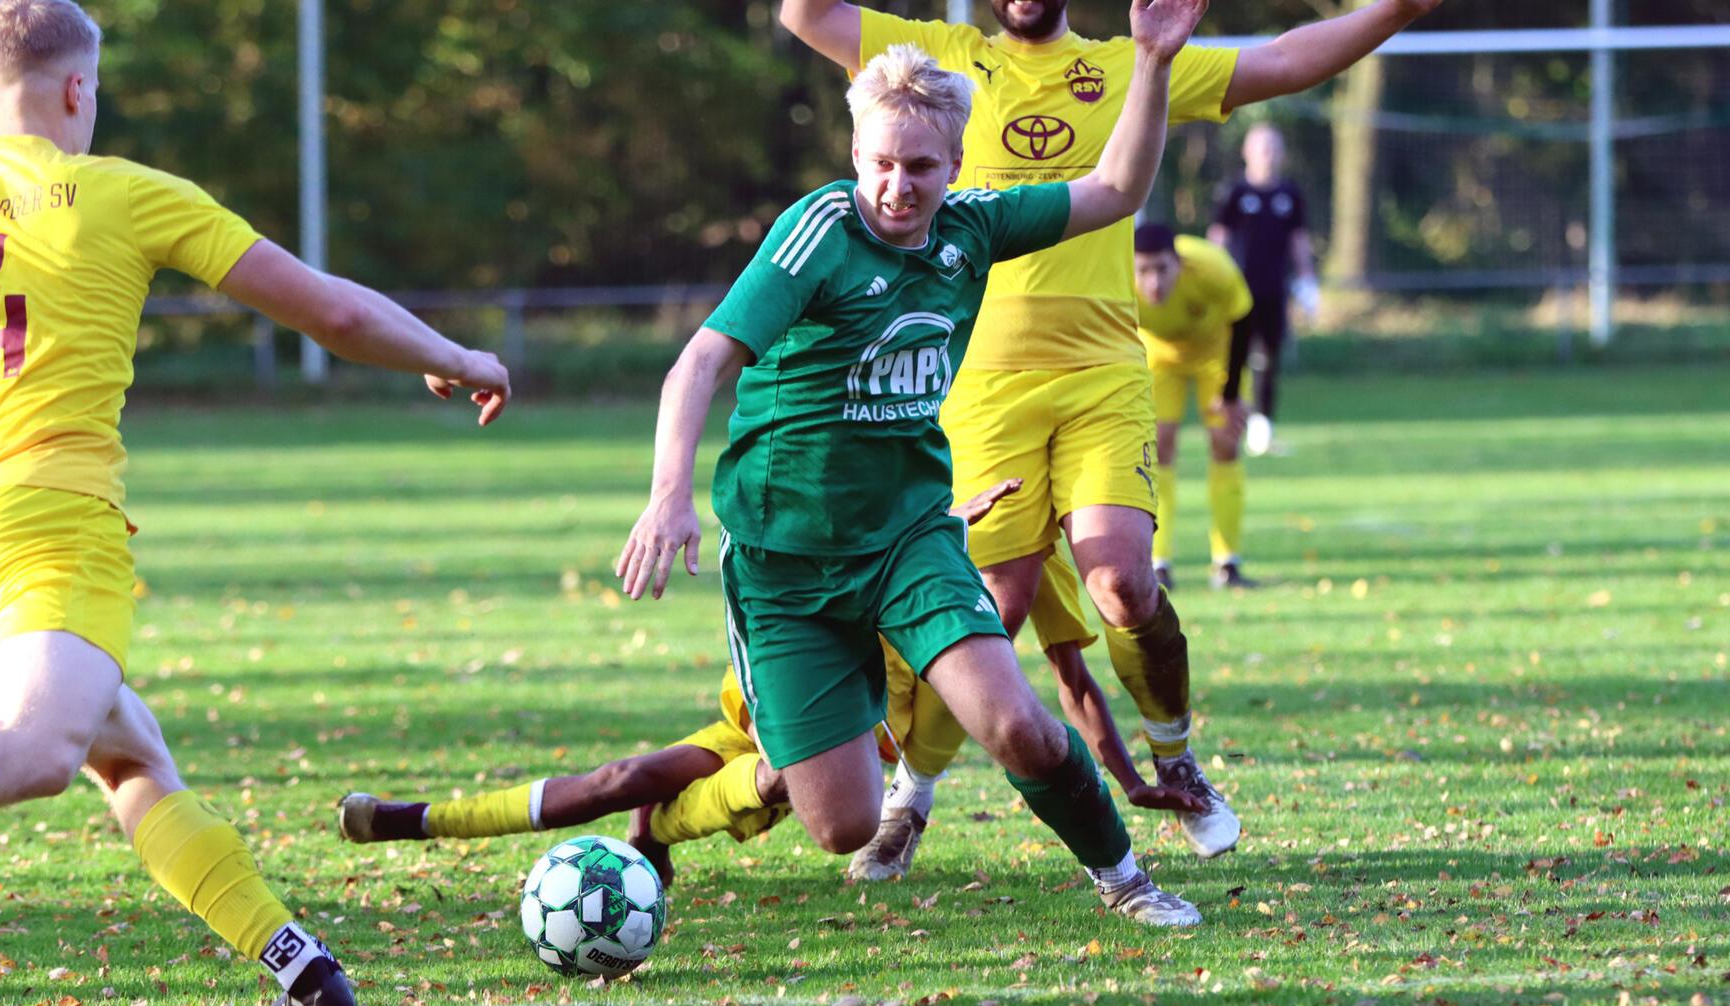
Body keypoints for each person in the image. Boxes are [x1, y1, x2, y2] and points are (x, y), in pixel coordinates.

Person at [0, 0, 510, 1006]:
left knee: (131, 758)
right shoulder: (126, 195)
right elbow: (337, 312)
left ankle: (301, 967)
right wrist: (458, 356)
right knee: (40, 750)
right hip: (54, 536)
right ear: (80, 88)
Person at [778, 0, 1443, 871]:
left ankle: (1177, 753)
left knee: (1124, 584)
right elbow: (805, 14)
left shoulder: (1134, 60)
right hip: (981, 384)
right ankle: (914, 794)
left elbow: (1283, 61)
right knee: (986, 608)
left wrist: (1396, 10)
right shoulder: (939, 59)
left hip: (1102, 375)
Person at [616, 0, 1209, 926]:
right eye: (881, 163)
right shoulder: (816, 235)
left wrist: (1156, 63)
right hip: (787, 564)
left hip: (907, 540)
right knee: (842, 824)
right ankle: (662, 818)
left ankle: (1124, 877)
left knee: (1014, 722)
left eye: (921, 166)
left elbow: (1115, 191)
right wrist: (667, 499)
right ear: (856, 157)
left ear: (956, 166)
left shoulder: (972, 230)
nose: (898, 186)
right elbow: (701, 362)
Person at [339, 488, 1202, 926]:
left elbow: (1068, 685)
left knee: (724, 787)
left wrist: (1129, 779)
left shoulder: (1030, 563)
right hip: (758, 713)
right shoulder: (909, 519)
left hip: (820, 760)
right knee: (624, 778)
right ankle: (411, 820)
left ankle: (653, 835)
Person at [1132, 223, 1255, 590]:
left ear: (1179, 263)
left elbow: (1245, 319)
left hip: (1215, 355)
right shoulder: (1115, 277)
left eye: (1162, 269)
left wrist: (1231, 395)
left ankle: (1227, 562)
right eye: (1144, 271)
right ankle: (1158, 562)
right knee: (1158, 447)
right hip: (1160, 359)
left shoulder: (1211, 267)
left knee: (1225, 442)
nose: (1154, 282)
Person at [1209, 123, 1316, 457]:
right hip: (1238, 293)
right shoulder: (1234, 192)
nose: (1268, 155)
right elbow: (1218, 238)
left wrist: (1307, 280)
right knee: (1233, 357)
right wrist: (1214, 277)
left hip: (1274, 290)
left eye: (1273, 148)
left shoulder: (1289, 194)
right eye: (1262, 147)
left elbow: (1299, 240)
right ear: (1247, 152)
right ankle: (1228, 420)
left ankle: (1262, 430)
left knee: (1268, 359)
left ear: (1282, 154)